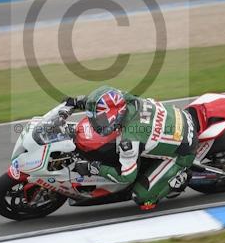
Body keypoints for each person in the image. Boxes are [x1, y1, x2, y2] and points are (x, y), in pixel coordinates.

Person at [66, 85, 198, 210]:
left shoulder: (129, 139)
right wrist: (79, 102)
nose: (96, 123)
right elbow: (104, 102)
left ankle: (181, 177)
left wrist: (94, 168)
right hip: (180, 117)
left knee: (142, 198)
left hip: (183, 152)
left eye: (99, 120)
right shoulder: (124, 99)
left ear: (114, 116)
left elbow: (126, 177)